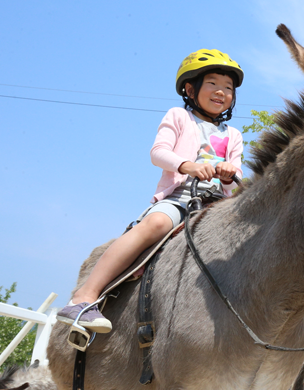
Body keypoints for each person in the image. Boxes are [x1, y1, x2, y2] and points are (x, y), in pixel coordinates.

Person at [56, 49, 245, 333]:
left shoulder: (234, 135)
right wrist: (188, 166)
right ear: (190, 88)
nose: (222, 91)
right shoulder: (179, 117)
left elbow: (237, 175)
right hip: (181, 198)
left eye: (228, 88)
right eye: (213, 84)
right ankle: (83, 298)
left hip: (217, 206)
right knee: (156, 223)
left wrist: (230, 173)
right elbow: (158, 153)